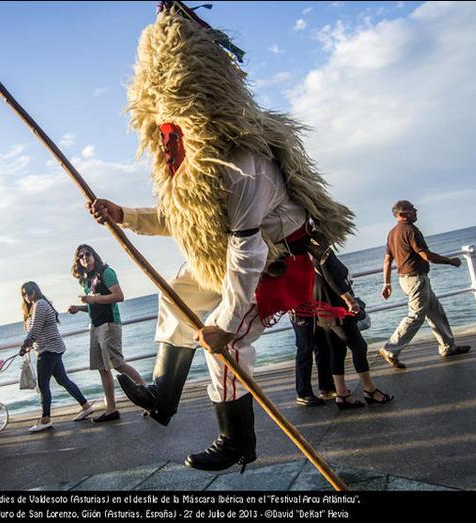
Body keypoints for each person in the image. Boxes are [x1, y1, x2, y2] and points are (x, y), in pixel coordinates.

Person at [85, 2, 355, 472]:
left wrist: (226, 321)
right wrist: (122, 214)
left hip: (274, 264)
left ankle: (237, 441)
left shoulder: (244, 166)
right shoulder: (198, 162)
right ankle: (164, 394)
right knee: (177, 291)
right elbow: (183, 217)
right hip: (235, 255)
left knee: (226, 346)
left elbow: (245, 251)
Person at [380, 200, 471, 369]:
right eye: (411, 209)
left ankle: (448, 347)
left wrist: (386, 283)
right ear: (401, 214)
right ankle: (390, 349)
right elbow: (426, 256)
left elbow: (387, 260)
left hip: (407, 279)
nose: (415, 211)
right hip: (415, 279)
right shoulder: (410, 230)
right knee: (415, 315)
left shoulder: (392, 233)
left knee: (436, 312)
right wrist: (450, 261)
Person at [308, 243, 393, 408]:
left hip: (322, 309)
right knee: (359, 347)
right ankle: (370, 390)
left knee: (337, 351)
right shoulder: (321, 252)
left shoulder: (311, 255)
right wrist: (351, 302)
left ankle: (341, 394)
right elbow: (333, 280)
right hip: (337, 309)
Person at [68, 244, 146, 422]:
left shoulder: (106, 272)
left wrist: (93, 299)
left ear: (94, 255)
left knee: (118, 364)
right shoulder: (88, 280)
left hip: (109, 324)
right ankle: (111, 410)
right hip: (95, 326)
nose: (84, 257)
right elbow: (94, 305)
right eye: (80, 256)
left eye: (87, 254)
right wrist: (80, 308)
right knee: (102, 369)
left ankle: (149, 394)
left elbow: (119, 296)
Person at [18, 281, 94, 432]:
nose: (27, 295)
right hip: (51, 348)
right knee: (63, 380)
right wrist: (29, 344)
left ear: (35, 290)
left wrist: (25, 345)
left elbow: (35, 329)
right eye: (24, 293)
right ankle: (86, 406)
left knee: (43, 385)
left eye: (29, 291)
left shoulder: (40, 304)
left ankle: (46, 419)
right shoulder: (35, 306)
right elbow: (34, 329)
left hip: (48, 350)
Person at [291, 313, 336, 406]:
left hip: (313, 308)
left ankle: (327, 387)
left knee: (323, 345)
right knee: (305, 348)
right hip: (300, 310)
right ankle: (303, 393)